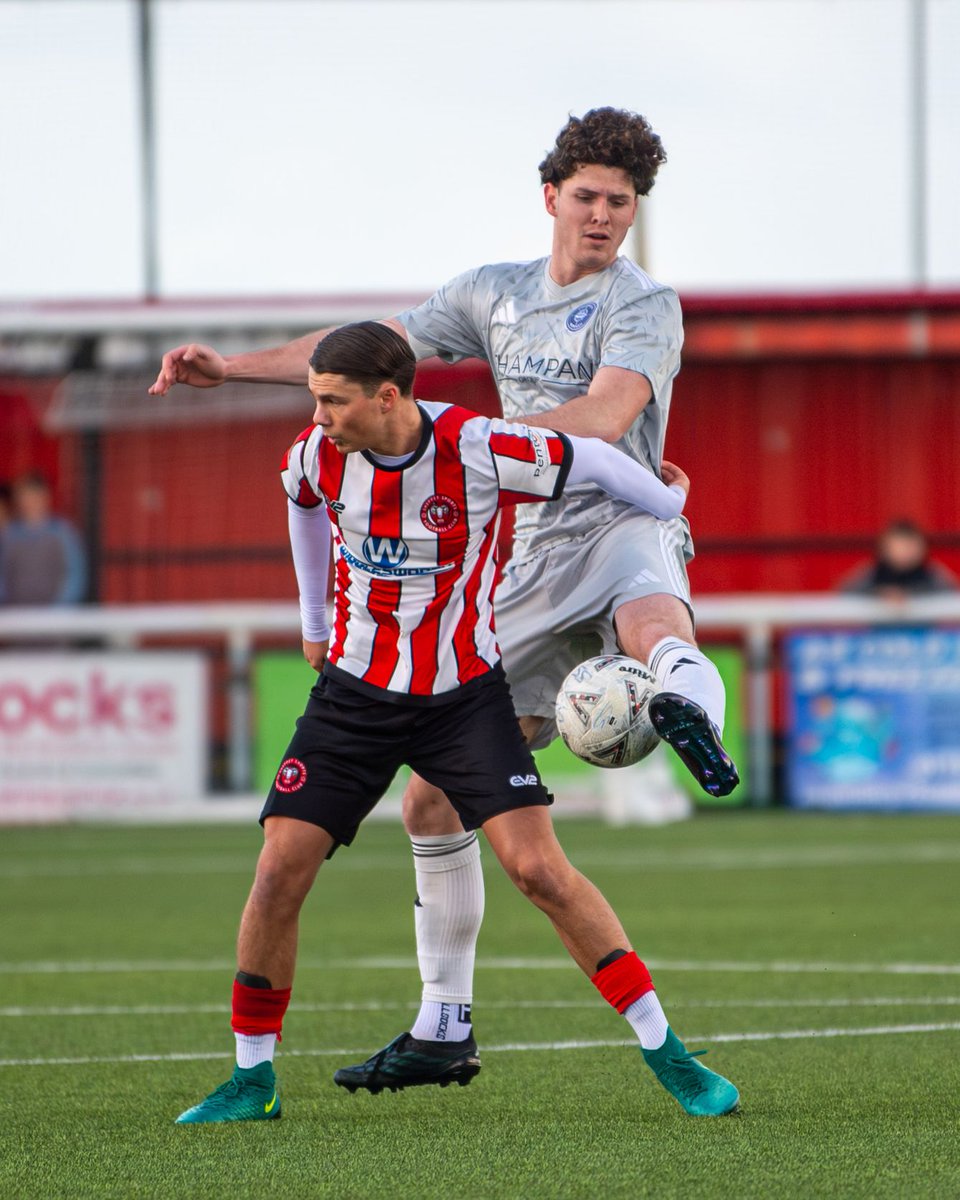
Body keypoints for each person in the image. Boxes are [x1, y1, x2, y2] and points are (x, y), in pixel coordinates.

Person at [150, 107, 739, 1089]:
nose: (602, 217)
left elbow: (606, 417)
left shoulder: (646, 305)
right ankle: (442, 1024)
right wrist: (233, 368)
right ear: (550, 197)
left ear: (634, 214)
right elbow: (365, 352)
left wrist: (468, 450)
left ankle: (687, 710)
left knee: (653, 621)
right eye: (587, 197)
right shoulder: (491, 294)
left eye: (621, 204)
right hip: (526, 555)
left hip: (620, 513)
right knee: (432, 796)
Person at [0, 471, 86, 605]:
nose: (28, 502)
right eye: (23, 496)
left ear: (45, 496)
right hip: (16, 617)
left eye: (32, 495)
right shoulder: (9, 535)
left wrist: (59, 610)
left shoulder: (63, 533)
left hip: (53, 618)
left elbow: (74, 575)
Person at [839, 518, 958, 601]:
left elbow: (952, 596)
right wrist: (879, 594)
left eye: (911, 546)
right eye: (900, 546)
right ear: (884, 548)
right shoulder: (871, 574)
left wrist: (910, 596)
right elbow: (843, 595)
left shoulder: (933, 574)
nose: (905, 553)